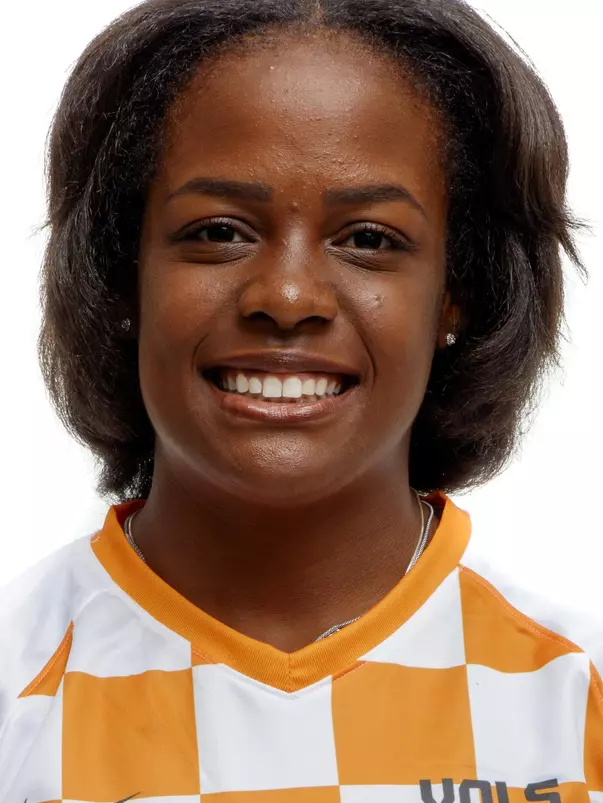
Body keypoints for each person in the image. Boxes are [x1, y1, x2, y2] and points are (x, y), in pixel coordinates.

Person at [0, 0, 599, 799]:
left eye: (369, 239)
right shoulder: (16, 684)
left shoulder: (576, 694)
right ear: (121, 275)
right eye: (218, 231)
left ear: (456, 294)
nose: (286, 297)